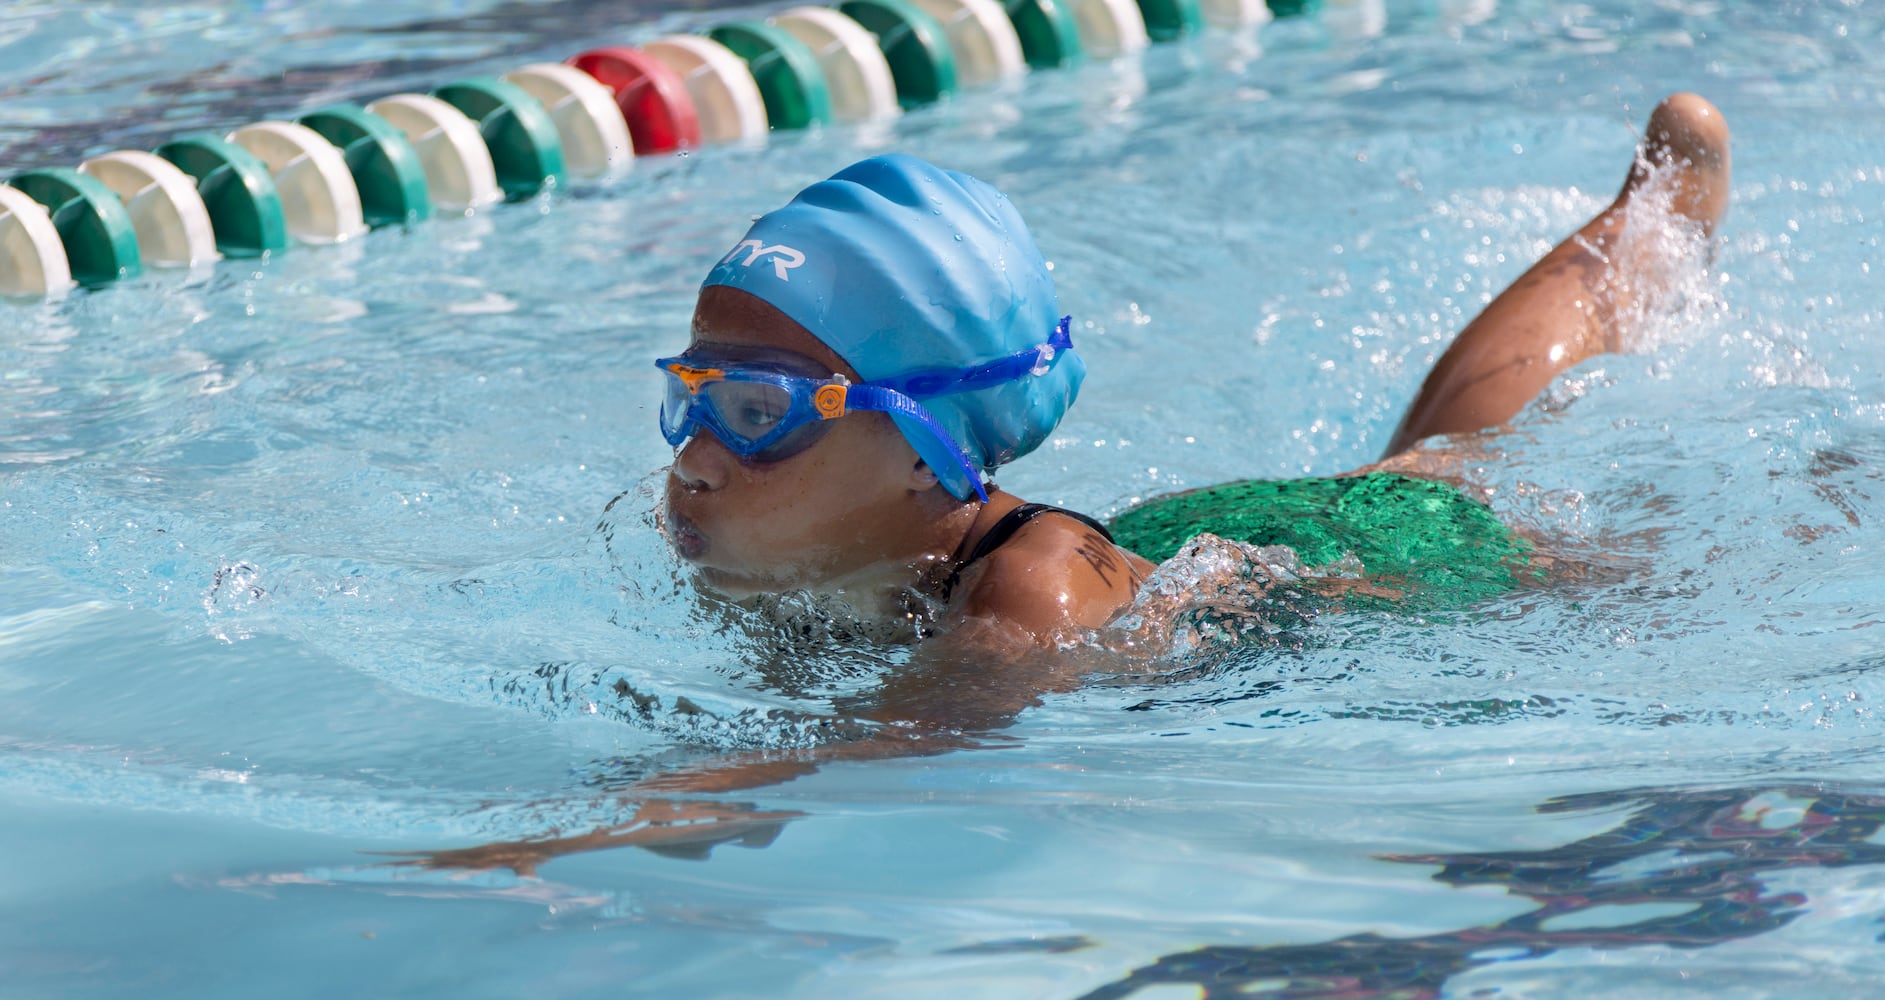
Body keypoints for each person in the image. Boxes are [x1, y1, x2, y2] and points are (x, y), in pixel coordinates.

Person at [418, 93, 1731, 873]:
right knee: (1429, 445)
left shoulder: (1033, 596)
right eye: (690, 397)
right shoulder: (784, 543)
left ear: (927, 446)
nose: (694, 458)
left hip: (1386, 565)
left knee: (1450, 474)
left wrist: (615, 821)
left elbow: (899, 741)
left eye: (759, 415)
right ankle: (1639, 232)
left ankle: (1650, 230)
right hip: (1178, 541)